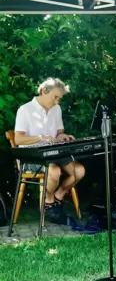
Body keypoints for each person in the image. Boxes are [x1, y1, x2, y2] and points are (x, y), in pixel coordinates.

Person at [14, 77, 85, 224]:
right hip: (31, 155)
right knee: (54, 171)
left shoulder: (56, 109)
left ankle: (56, 197)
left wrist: (63, 136)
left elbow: (59, 133)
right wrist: (41, 137)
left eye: (59, 98)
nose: (57, 102)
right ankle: (48, 202)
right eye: (55, 97)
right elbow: (18, 140)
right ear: (44, 91)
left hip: (54, 152)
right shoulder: (25, 110)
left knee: (79, 171)